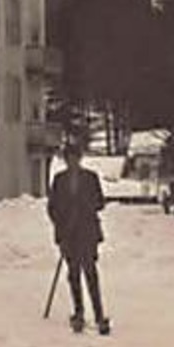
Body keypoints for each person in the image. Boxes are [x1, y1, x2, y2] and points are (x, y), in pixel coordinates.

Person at [48, 142, 109, 334]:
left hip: (87, 233)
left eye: (75, 157)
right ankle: (79, 313)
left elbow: (100, 202)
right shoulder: (59, 180)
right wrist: (61, 223)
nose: (72, 161)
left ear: (80, 158)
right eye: (68, 158)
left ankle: (99, 315)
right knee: (73, 274)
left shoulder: (91, 178)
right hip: (68, 234)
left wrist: (84, 207)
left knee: (90, 273)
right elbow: (52, 207)